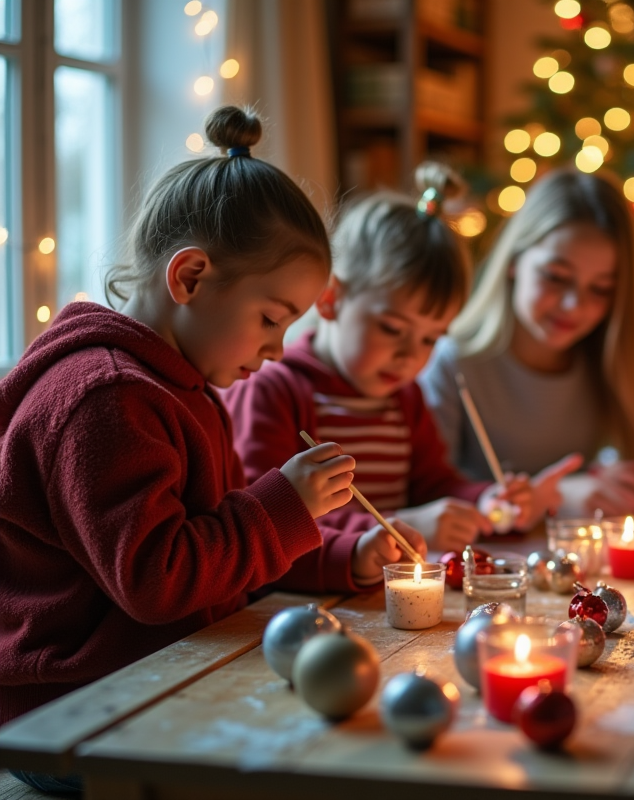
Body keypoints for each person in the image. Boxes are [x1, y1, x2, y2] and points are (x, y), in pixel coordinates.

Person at [0, 106, 423, 791]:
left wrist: (344, 554)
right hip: (76, 713)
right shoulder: (106, 400)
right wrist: (283, 503)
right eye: (271, 318)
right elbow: (159, 581)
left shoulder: (182, 388)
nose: (277, 349)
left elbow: (221, 549)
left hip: (161, 676)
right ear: (190, 277)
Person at [225, 164, 565, 550]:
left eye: (430, 340)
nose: (409, 357)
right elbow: (269, 522)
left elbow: (433, 485)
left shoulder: (405, 399)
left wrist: (484, 501)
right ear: (331, 298)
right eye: (391, 329)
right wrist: (397, 527)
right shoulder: (274, 391)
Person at [419, 169, 634, 518]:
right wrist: (557, 496)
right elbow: (423, 503)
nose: (574, 306)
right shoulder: (447, 362)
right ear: (513, 262)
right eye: (556, 277)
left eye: (600, 289)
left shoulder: (604, 364)